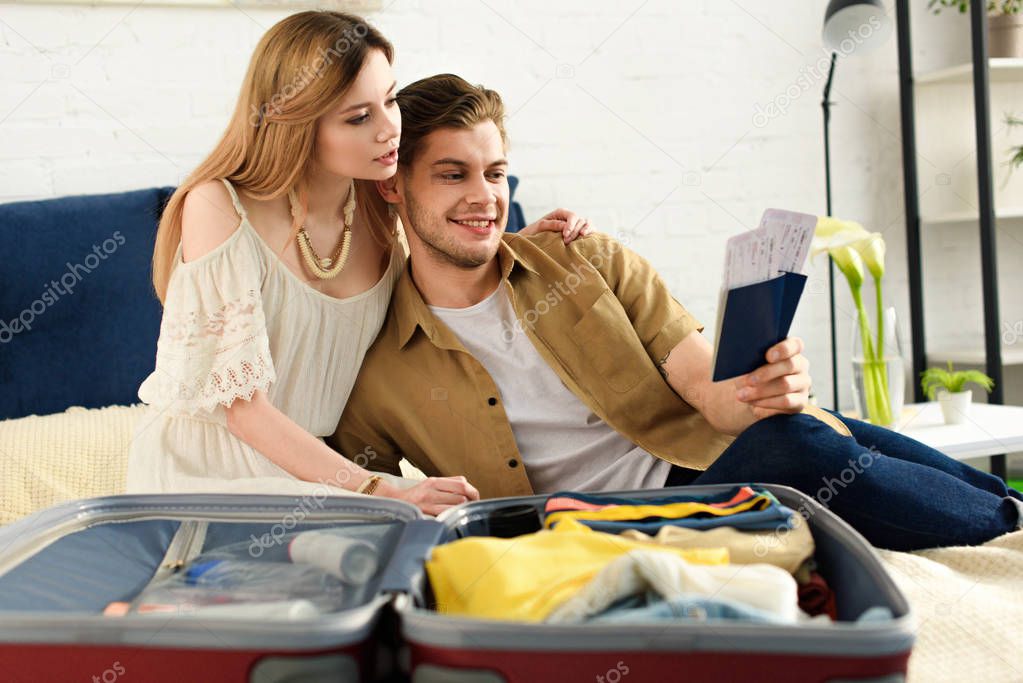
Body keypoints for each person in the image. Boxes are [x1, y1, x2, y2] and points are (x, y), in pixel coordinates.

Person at [332, 73, 1023, 550]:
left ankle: (1008, 518)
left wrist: (762, 388)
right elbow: (349, 490)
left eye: (493, 173)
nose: (481, 196)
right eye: (451, 174)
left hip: (711, 456)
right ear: (394, 187)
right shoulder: (378, 361)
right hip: (611, 525)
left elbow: (709, 396)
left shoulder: (585, 260)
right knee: (797, 445)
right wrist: (395, 495)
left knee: (819, 424)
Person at [125, 12, 590, 516]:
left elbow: (440, 266)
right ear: (297, 124)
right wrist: (381, 488)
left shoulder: (375, 204)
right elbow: (244, 414)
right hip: (210, 475)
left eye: (390, 99)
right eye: (358, 117)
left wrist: (513, 242)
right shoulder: (217, 206)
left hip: (322, 468)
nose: (391, 129)